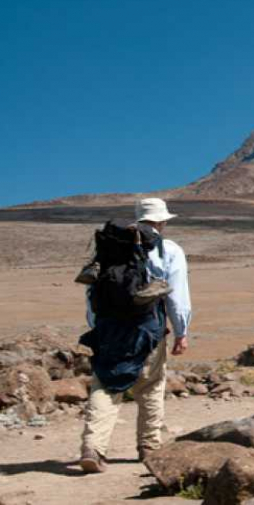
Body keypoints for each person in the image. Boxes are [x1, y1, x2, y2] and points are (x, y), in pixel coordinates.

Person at [79, 198, 192, 473]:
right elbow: (177, 297)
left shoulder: (111, 247)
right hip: (148, 327)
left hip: (109, 329)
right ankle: (149, 446)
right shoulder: (169, 250)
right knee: (151, 385)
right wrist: (181, 332)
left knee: (105, 385)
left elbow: (93, 293)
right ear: (162, 221)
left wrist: (97, 326)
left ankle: (93, 447)